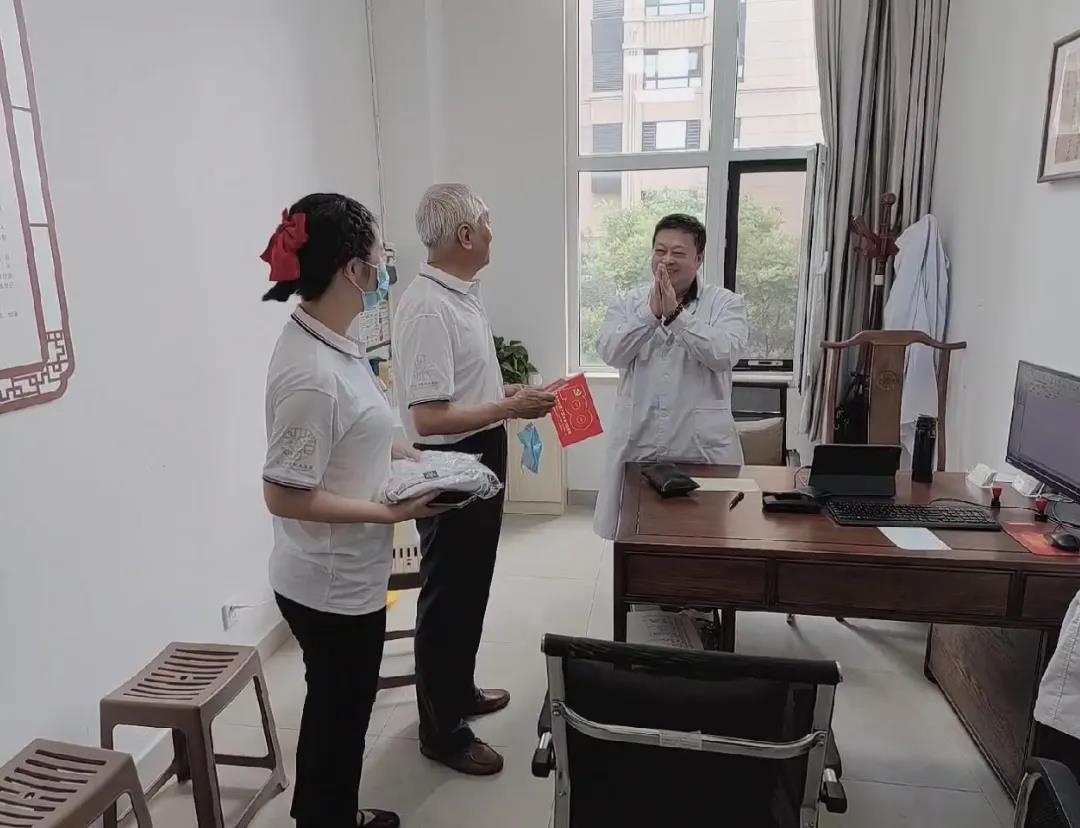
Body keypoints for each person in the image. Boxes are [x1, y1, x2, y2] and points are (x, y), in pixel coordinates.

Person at [260, 193, 439, 828]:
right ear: (353, 269)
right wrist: (384, 514)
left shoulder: (337, 341)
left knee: (338, 709)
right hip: (328, 584)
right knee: (339, 714)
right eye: (381, 256)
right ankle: (327, 817)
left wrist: (398, 450)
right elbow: (284, 492)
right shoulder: (312, 374)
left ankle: (326, 811)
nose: (386, 267)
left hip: (346, 571)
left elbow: (352, 426)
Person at [393, 183, 556, 775]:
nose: (491, 232)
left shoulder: (460, 295)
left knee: (471, 587)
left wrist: (500, 393)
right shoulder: (428, 307)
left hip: (479, 450)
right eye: (486, 222)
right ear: (464, 235)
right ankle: (441, 733)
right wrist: (509, 408)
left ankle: (456, 690)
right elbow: (429, 417)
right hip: (450, 463)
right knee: (447, 596)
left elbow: (458, 390)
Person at [593, 213, 749, 540]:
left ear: (699, 258)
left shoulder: (726, 304)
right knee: (636, 542)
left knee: (705, 536)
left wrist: (677, 316)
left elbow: (724, 354)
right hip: (639, 445)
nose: (667, 260)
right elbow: (611, 352)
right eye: (660, 251)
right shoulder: (628, 303)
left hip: (701, 449)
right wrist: (650, 314)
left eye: (678, 253)